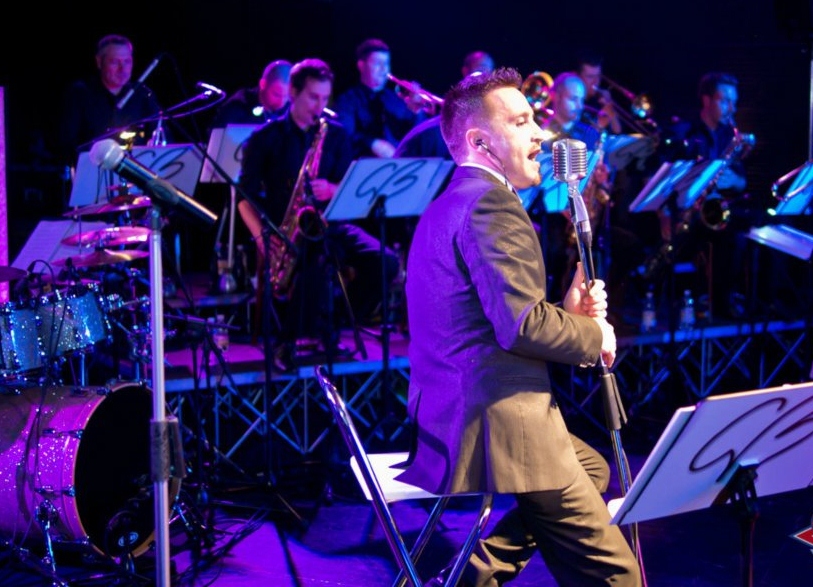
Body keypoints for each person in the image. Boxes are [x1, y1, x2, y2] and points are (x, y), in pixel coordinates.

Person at [396, 67, 641, 587]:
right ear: (479, 141)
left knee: (593, 469)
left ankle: (469, 578)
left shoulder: (453, 200)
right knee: (620, 578)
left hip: (452, 414)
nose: (541, 134)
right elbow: (522, 326)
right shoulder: (492, 204)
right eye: (522, 122)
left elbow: (500, 317)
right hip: (496, 422)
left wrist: (566, 315)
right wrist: (596, 336)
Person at [236, 57, 399, 371]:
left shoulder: (335, 135)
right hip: (285, 229)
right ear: (293, 93)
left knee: (386, 262)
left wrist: (333, 189)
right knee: (315, 256)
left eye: (325, 98)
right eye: (313, 97)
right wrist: (262, 238)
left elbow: (349, 188)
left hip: (331, 224)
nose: (320, 106)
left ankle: (336, 323)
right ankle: (287, 342)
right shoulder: (265, 138)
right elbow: (244, 196)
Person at [654, 71, 755, 321]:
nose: (731, 108)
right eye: (725, 101)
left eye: (734, 102)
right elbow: (662, 178)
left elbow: (742, 182)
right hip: (684, 213)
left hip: (711, 213)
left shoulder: (730, 136)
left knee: (737, 236)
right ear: (707, 100)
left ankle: (722, 304)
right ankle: (672, 302)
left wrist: (735, 180)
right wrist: (663, 214)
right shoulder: (684, 133)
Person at [57, 34, 163, 170]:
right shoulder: (80, 94)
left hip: (136, 172)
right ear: (99, 62)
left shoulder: (143, 95)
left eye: (127, 61)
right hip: (93, 171)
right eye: (114, 62)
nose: (122, 69)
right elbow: (67, 144)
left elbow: (161, 137)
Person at [334, 38, 427, 160]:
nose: (384, 70)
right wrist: (371, 143)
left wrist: (416, 113)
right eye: (378, 63)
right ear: (361, 65)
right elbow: (344, 135)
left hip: (397, 165)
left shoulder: (396, 100)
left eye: (386, 63)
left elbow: (416, 139)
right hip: (363, 164)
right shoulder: (347, 100)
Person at [210, 59, 292, 127]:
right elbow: (217, 139)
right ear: (263, 84)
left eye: (287, 96)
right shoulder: (236, 107)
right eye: (276, 94)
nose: (281, 103)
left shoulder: (291, 109)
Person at [575, 52, 623, 134]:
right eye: (590, 77)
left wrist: (611, 109)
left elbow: (618, 133)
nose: (596, 81)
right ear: (579, 77)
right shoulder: (572, 100)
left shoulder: (599, 99)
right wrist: (599, 123)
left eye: (598, 76)